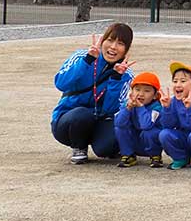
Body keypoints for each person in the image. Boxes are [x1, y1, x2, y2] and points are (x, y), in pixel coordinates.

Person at [51, 22, 135, 164]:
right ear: (102, 41)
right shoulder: (81, 56)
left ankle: (107, 145)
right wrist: (87, 61)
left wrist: (116, 78)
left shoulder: (126, 74)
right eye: (110, 40)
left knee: (109, 146)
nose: (113, 47)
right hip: (69, 120)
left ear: (126, 49)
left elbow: (110, 109)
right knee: (82, 114)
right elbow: (61, 83)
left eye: (120, 43)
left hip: (99, 121)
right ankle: (79, 147)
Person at [113, 71, 164, 168]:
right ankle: (128, 155)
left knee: (149, 132)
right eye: (137, 90)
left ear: (155, 95)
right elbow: (118, 123)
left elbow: (146, 125)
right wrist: (127, 109)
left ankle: (155, 156)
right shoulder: (127, 104)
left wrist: (140, 107)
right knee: (120, 128)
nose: (141, 94)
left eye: (147, 91)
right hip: (134, 141)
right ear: (131, 92)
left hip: (149, 142)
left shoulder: (156, 107)